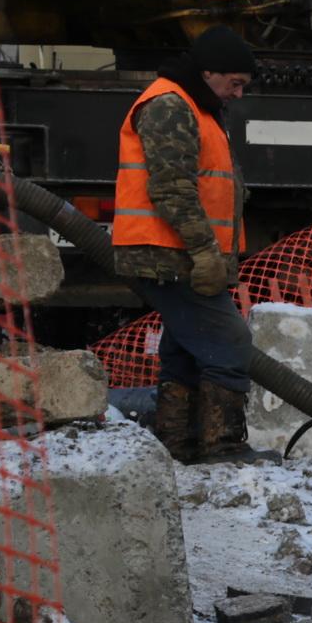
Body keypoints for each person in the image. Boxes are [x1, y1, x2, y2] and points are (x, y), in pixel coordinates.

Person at [113, 24, 257, 463]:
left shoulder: (198, 106)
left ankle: (180, 445)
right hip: (170, 253)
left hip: (174, 252)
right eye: (234, 83)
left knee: (185, 347)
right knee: (229, 344)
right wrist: (203, 251)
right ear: (210, 72)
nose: (237, 94)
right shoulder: (171, 105)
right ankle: (223, 447)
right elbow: (173, 188)